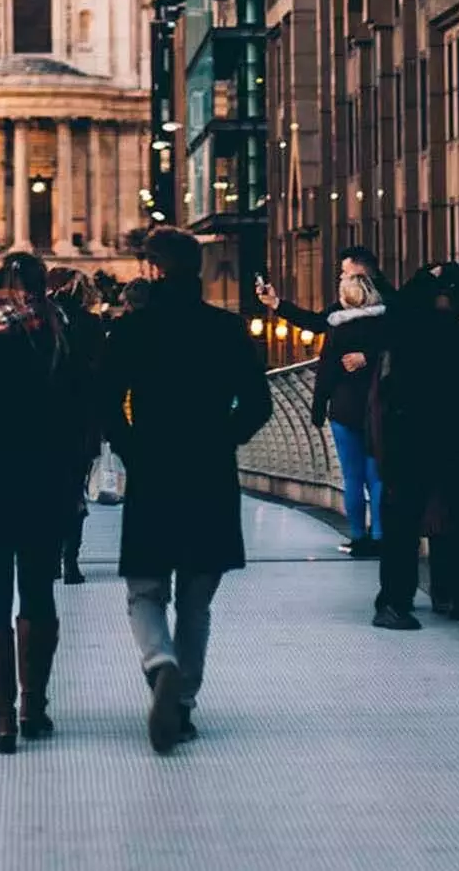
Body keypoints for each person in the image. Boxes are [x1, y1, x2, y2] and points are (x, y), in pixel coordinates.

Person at [103, 227, 273, 753]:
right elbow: (259, 404)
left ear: (154, 270)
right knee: (197, 600)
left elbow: (105, 400)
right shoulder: (226, 329)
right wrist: (222, 438)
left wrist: (133, 449)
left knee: (145, 589)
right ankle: (184, 704)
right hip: (209, 473)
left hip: (154, 471)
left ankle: (160, 664)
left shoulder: (133, 330)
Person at [0, 253, 90, 753]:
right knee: (37, 593)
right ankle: (35, 706)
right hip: (43, 485)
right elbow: (83, 411)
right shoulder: (56, 335)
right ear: (41, 289)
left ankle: (1, 720)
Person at [369, 262, 459, 630]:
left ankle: (423, 598)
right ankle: (420, 599)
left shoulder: (417, 324)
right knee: (428, 520)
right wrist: (453, 307)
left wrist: (456, 309)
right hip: (431, 438)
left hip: (427, 439)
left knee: (439, 519)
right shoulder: (418, 325)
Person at [257, 246, 387, 555]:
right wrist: (277, 303)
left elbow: (325, 364)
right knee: (376, 475)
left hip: (344, 408)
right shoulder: (389, 313)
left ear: (358, 275)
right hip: (380, 405)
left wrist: (318, 409)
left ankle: (358, 537)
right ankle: (381, 536)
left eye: (344, 272)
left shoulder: (338, 323)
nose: (340, 276)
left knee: (352, 476)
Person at [48, 266, 109, 585]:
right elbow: (102, 374)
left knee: (45, 491)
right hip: (81, 421)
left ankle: (49, 557)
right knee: (74, 491)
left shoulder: (39, 321)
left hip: (43, 424)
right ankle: (70, 560)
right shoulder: (92, 324)